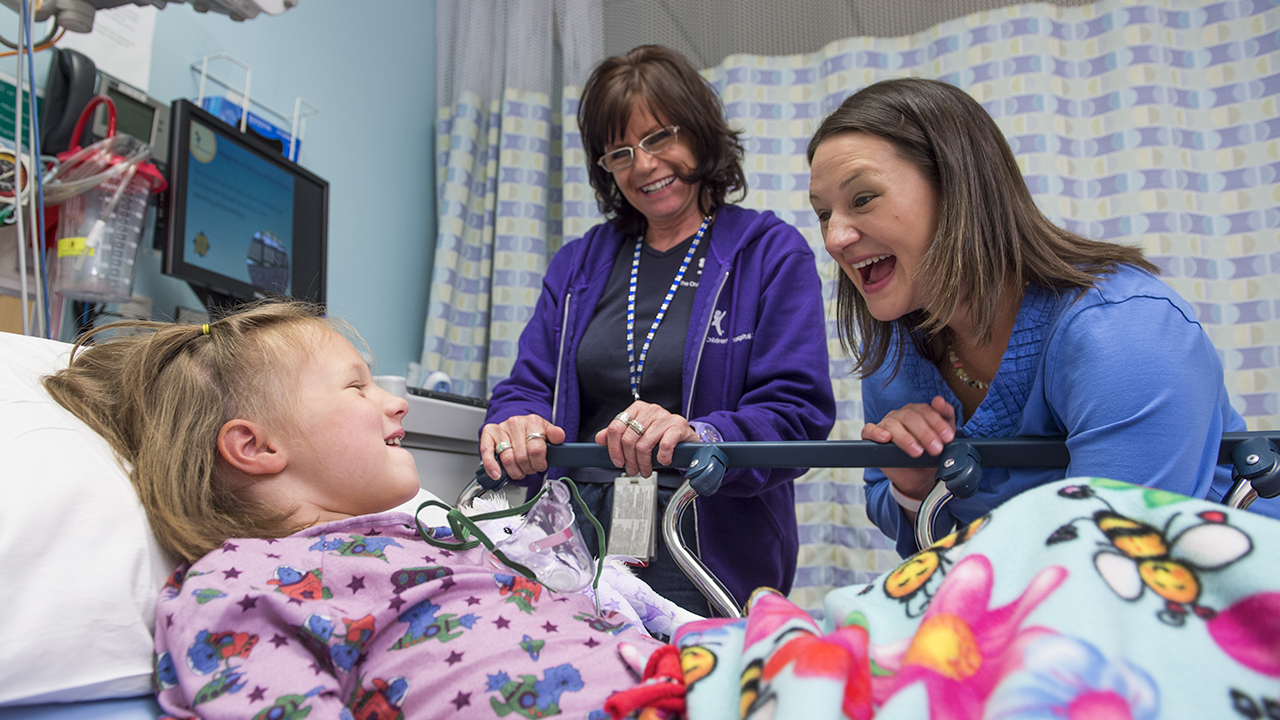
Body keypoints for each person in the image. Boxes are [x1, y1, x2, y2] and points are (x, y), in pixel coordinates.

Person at [43, 302, 664, 719]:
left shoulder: (426, 539)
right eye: (357, 386)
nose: (396, 403)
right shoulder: (239, 587)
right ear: (256, 446)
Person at [805, 77, 1268, 558]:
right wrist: (913, 487)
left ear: (960, 189)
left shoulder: (1127, 331)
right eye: (822, 213)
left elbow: (1109, 557)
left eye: (862, 199)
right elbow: (892, 508)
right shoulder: (898, 353)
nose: (834, 238)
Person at [480, 45, 836, 613]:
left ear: (699, 133)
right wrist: (512, 421)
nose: (643, 165)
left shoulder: (769, 254)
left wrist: (698, 436)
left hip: (702, 534)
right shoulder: (578, 264)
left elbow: (796, 415)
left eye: (658, 138)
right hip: (572, 536)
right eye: (619, 152)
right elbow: (527, 386)